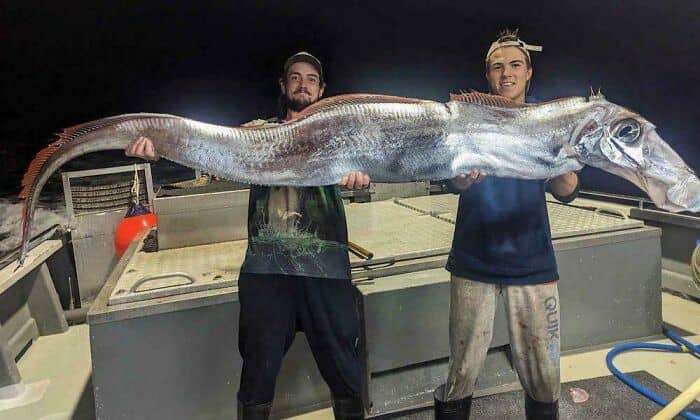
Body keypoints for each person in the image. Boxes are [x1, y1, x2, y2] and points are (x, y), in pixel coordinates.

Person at [126, 51, 368, 420]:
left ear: (322, 90)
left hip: (327, 268)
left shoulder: (341, 135)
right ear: (283, 85)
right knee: (258, 371)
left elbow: (373, 163)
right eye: (295, 77)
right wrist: (159, 148)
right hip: (265, 270)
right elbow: (208, 148)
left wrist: (361, 174)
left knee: (344, 369)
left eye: (311, 79)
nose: (303, 85)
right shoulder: (256, 132)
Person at [433, 30, 579, 420]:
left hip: (532, 262)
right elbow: (450, 179)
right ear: (488, 76)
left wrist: (557, 164)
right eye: (497, 67)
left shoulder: (547, 121)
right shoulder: (468, 121)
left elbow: (568, 189)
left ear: (529, 72)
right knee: (461, 372)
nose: (507, 73)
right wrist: (460, 179)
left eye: (515, 65)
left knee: (544, 377)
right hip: (473, 259)